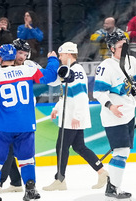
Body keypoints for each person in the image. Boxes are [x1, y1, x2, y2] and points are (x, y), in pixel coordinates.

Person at [0, 43, 60, 201]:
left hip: (2, 125)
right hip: (25, 124)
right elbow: (51, 76)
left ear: (0, 58)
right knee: (26, 160)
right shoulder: (28, 70)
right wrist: (52, 59)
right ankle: (31, 191)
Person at [44, 42, 108, 191]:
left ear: (68, 54)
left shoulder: (76, 70)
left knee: (61, 147)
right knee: (79, 147)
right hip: (70, 115)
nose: (59, 57)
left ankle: (60, 179)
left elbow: (80, 94)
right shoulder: (70, 70)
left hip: (71, 117)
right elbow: (66, 94)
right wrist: (57, 108)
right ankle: (102, 172)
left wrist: (77, 116)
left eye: (61, 54)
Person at [93, 31, 136, 201]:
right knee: (121, 151)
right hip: (113, 115)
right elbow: (98, 92)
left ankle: (112, 187)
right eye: (121, 45)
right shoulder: (107, 65)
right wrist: (110, 106)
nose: (125, 48)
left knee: (124, 152)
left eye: (126, 44)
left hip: (129, 114)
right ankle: (113, 189)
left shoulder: (133, 62)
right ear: (112, 47)